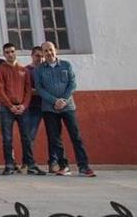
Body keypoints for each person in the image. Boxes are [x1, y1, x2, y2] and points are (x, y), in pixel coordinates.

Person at [34, 41, 95, 177]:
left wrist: (63, 100)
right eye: (45, 51)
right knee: (55, 139)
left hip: (68, 107)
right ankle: (64, 165)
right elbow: (39, 88)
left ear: (56, 50)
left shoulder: (66, 65)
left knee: (76, 136)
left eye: (51, 50)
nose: (49, 53)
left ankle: (84, 166)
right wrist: (55, 101)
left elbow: (72, 84)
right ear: (43, 54)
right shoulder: (39, 69)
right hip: (49, 109)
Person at [0, 42, 46, 176]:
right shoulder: (0, 70)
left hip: (23, 108)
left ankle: (31, 165)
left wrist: (24, 105)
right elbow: (0, 91)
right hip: (7, 109)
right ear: (4, 54)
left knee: (26, 137)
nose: (10, 54)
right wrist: (10, 106)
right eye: (7, 52)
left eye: (12, 51)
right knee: (7, 138)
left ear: (15, 52)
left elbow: (28, 90)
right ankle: (9, 165)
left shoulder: (24, 70)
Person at [25, 46, 65, 172]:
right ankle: (27, 162)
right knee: (30, 135)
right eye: (37, 55)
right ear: (32, 56)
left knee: (53, 136)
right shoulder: (27, 70)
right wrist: (43, 92)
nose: (40, 58)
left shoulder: (48, 69)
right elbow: (26, 90)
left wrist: (45, 93)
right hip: (34, 107)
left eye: (42, 55)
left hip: (50, 106)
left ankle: (53, 162)